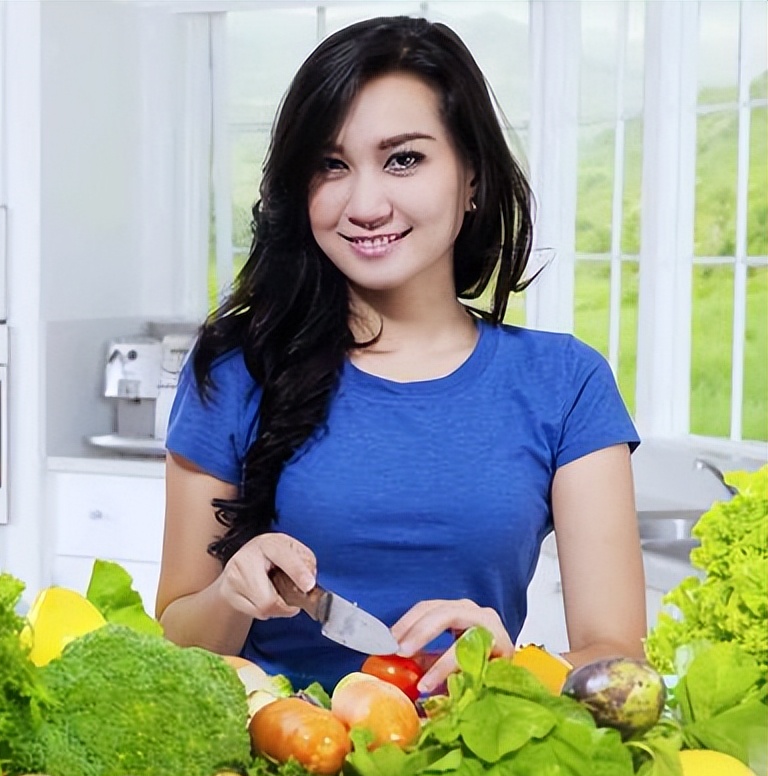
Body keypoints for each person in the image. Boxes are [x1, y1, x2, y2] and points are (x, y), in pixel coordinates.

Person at [155, 15, 647, 694]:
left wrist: (510, 672)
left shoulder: (565, 383)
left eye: (403, 159)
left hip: (468, 763)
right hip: (272, 764)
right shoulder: (237, 370)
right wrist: (231, 593)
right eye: (332, 165)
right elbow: (173, 638)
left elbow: (618, 657)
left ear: (471, 176)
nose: (365, 203)